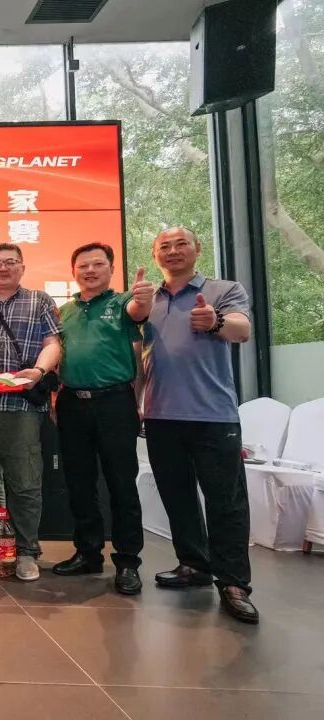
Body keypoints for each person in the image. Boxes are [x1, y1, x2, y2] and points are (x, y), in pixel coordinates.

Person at [142, 227, 257, 623]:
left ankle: (234, 583)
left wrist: (214, 320)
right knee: (178, 497)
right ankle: (193, 564)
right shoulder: (149, 300)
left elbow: (242, 329)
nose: (173, 251)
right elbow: (142, 356)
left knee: (226, 502)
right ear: (155, 254)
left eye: (181, 244)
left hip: (213, 416)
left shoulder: (223, 290)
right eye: (165, 246)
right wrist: (137, 402)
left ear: (197, 249)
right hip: (160, 416)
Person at [52, 243, 153, 595]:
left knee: (121, 483)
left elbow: (140, 312)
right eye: (83, 266)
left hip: (114, 402)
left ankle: (127, 561)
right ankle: (88, 552)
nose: (90, 271)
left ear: (111, 269)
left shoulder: (123, 303)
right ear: (74, 271)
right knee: (79, 482)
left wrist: (143, 299)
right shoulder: (63, 311)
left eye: (98, 264)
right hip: (71, 402)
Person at [0, 243, 62, 582]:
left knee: (24, 481)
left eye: (10, 262)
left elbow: (53, 343)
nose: (3, 268)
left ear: (22, 266)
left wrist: (40, 371)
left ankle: (26, 550)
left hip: (19, 405)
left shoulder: (39, 301)